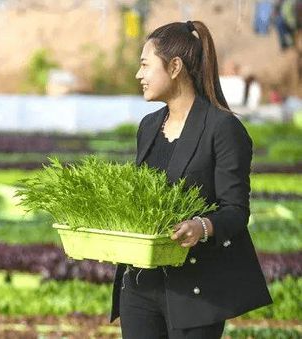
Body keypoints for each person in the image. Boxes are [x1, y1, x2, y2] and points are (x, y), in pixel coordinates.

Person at [110, 21, 272, 338]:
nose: (138, 75)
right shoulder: (149, 126)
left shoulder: (222, 128)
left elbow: (235, 210)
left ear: (174, 67)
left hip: (195, 288)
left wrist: (201, 226)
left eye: (145, 65)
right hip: (140, 286)